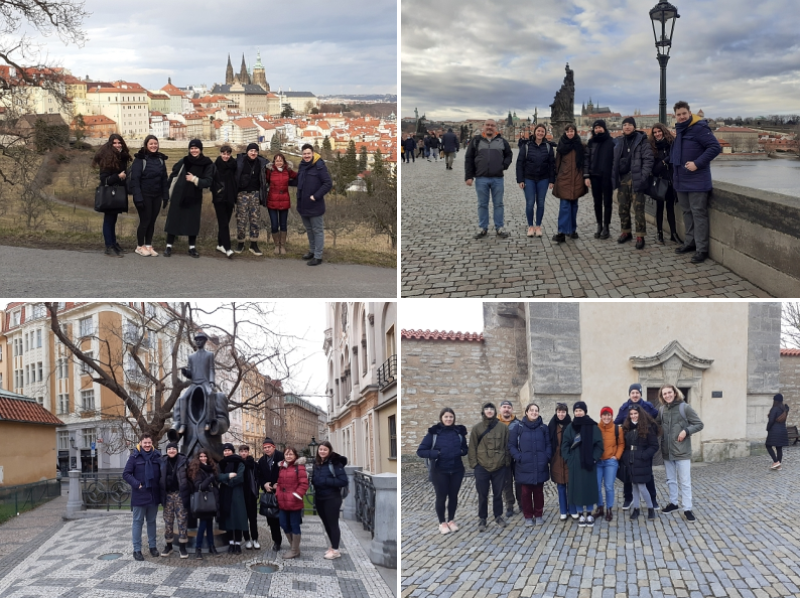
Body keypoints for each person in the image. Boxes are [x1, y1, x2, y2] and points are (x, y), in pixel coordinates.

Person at [671, 100, 722, 263]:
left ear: (689, 113)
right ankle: (690, 242)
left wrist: (697, 164)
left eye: (684, 113)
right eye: (678, 114)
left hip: (697, 180)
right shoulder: (680, 130)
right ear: (675, 116)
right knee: (687, 213)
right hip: (681, 179)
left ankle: (701, 250)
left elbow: (715, 148)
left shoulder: (699, 127)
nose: (681, 117)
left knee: (698, 214)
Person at [416, 407, 468, 534]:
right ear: (441, 418)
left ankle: (451, 520)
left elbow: (465, 449)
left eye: (451, 417)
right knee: (441, 496)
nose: (449, 419)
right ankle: (442, 522)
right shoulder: (434, 433)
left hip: (456, 469)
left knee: (453, 496)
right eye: (446, 417)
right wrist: (437, 453)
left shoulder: (459, 432)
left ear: (453, 418)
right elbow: (421, 451)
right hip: (439, 470)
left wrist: (461, 451)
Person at [657, 384, 704, 522]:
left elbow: (699, 424)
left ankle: (687, 509)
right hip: (667, 451)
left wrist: (686, 431)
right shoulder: (661, 410)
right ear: (662, 396)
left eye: (669, 392)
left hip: (682, 451)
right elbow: (656, 425)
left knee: (685, 481)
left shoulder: (685, 408)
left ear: (675, 393)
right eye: (664, 394)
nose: (667, 395)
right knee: (671, 480)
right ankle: (673, 503)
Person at [164, 139, 214, 258]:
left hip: (194, 197)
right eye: (191, 148)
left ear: (201, 149)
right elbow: (174, 174)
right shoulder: (184, 161)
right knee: (174, 220)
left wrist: (195, 179)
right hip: (178, 195)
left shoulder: (207, 163)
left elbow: (208, 181)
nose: (194, 150)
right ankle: (168, 246)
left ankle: (192, 247)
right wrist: (167, 190)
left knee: (192, 222)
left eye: (196, 148)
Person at [465, 120, 513, 239]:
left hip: (497, 178)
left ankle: (499, 227)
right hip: (481, 178)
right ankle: (483, 228)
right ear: (483, 127)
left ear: (496, 128)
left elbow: (509, 155)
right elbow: (469, 158)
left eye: (492, 125)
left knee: (498, 204)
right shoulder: (476, 141)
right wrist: (469, 176)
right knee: (482, 204)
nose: (490, 127)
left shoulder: (502, 141)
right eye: (488, 125)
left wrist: (503, 166)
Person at [614, 383, 659, 509]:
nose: (635, 395)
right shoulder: (624, 408)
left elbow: (657, 420)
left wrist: (653, 433)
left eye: (637, 392)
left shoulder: (648, 407)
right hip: (629, 447)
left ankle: (653, 499)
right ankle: (628, 499)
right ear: (629, 394)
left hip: (644, 446)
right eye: (632, 393)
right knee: (628, 474)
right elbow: (616, 423)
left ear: (640, 394)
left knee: (648, 474)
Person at [611, 117, 654, 249]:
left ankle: (640, 235)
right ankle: (626, 232)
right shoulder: (618, 142)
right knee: (622, 208)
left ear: (634, 127)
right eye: (625, 125)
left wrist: (642, 177)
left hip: (637, 179)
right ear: (622, 127)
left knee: (638, 209)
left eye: (630, 124)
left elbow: (648, 159)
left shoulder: (642, 141)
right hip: (622, 179)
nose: (627, 127)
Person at [467, 402, 510, 531]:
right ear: (483, 411)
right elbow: (472, 447)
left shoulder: (503, 428)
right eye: (487, 409)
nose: (489, 411)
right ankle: (482, 518)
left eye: (491, 408)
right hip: (482, 466)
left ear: (495, 411)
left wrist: (505, 463)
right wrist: (475, 464)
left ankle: (498, 516)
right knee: (482, 494)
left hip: (499, 466)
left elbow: (507, 446)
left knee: (498, 494)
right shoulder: (477, 428)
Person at [508, 403, 551, 527]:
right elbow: (511, 445)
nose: (534, 412)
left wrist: (546, 456)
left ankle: (538, 514)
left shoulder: (543, 428)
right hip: (524, 466)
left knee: (538, 492)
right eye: (531, 410)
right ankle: (528, 516)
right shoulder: (518, 428)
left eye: (536, 410)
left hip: (540, 464)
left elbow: (548, 444)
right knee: (525, 493)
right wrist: (519, 457)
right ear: (526, 412)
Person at [561, 401, 603, 528]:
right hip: (575, 464)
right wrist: (569, 459)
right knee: (577, 489)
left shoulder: (593, 426)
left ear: (585, 411)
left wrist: (594, 458)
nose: (578, 413)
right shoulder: (570, 427)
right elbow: (565, 445)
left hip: (589, 463)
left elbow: (599, 445)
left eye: (580, 410)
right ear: (574, 412)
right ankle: (580, 514)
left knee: (589, 488)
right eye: (576, 411)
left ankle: (589, 513)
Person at [122, 433, 161, 561]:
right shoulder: (134, 457)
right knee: (138, 522)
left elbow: (163, 471)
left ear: (152, 443)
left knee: (151, 522)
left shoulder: (157, 456)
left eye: (149, 443)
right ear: (140, 443)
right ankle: (137, 549)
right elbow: (126, 474)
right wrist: (136, 484)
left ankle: (153, 546)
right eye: (145, 443)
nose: (147, 445)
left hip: (153, 495)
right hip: (139, 495)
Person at [92, 133, 131, 257]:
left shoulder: (122, 157)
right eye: (115, 143)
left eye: (119, 142)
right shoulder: (107, 157)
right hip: (110, 194)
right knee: (108, 220)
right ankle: (109, 246)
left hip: (118, 193)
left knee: (113, 220)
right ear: (110, 144)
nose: (118, 145)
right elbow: (104, 179)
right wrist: (118, 176)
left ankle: (113, 244)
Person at [128, 135, 168, 257]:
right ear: (146, 145)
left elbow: (164, 179)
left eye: (155, 143)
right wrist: (138, 197)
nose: (153, 146)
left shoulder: (160, 159)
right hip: (144, 195)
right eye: (151, 144)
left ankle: (149, 246)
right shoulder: (140, 159)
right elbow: (135, 180)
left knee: (152, 221)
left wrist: (165, 196)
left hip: (157, 195)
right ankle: (140, 246)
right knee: (145, 220)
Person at [294, 143, 332, 266]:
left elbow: (327, 183)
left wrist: (315, 196)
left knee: (317, 230)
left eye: (308, 153)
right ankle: (312, 251)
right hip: (303, 204)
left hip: (315, 205)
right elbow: (298, 181)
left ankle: (318, 256)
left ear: (313, 153)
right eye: (304, 154)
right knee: (309, 230)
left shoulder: (319, 166)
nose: (306, 156)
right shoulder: (302, 166)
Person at [621, 405, 660, 521]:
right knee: (634, 486)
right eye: (631, 414)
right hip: (631, 460)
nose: (633, 416)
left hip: (642, 460)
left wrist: (644, 455)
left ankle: (650, 508)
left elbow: (654, 446)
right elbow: (625, 445)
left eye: (635, 413)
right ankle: (636, 509)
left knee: (642, 486)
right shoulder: (627, 427)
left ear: (640, 414)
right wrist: (625, 457)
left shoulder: (647, 427)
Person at [516, 123, 555, 238]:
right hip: (529, 178)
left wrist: (552, 180)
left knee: (541, 203)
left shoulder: (548, 147)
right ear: (535, 132)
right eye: (538, 131)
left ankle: (538, 226)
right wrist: (520, 179)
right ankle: (530, 226)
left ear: (545, 133)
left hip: (543, 178)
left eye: (542, 131)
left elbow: (552, 164)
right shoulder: (527, 146)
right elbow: (520, 163)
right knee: (530, 203)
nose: (540, 133)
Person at [312, 440, 349, 559]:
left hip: (332, 498)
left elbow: (343, 481)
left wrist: (325, 481)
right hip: (319, 497)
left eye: (325, 450)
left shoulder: (335, 463)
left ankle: (336, 550)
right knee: (326, 523)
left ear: (329, 451)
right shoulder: (317, 463)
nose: (322, 451)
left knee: (333, 524)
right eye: (320, 449)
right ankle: (333, 546)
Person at [552, 123, 588, 243]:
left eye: (572, 131)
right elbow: (557, 164)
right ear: (565, 133)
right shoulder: (561, 146)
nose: (570, 133)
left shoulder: (581, 146)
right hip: (564, 179)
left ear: (575, 132)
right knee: (564, 206)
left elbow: (585, 163)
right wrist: (556, 177)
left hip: (577, 179)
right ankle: (562, 232)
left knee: (574, 206)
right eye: (568, 131)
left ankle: (572, 230)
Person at [234, 143, 269, 256]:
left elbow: (276, 167)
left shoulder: (262, 163)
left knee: (255, 220)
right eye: (251, 151)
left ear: (258, 152)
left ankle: (254, 245)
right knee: (241, 219)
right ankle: (240, 243)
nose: (253, 153)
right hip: (241, 194)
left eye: (255, 151)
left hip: (255, 195)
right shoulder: (239, 162)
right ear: (247, 151)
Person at [648, 123, 681, 244]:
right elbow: (654, 168)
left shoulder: (671, 144)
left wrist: (664, 161)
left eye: (659, 131)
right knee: (660, 208)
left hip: (671, 180)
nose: (657, 134)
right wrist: (663, 162)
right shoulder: (652, 146)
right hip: (659, 180)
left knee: (670, 208)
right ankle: (660, 233)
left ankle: (673, 233)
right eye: (655, 132)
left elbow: (675, 159)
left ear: (663, 131)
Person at [583, 119, 615, 239]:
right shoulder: (591, 142)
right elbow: (586, 160)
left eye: (600, 127)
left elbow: (615, 160)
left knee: (607, 203)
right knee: (597, 203)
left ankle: (606, 227)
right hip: (594, 176)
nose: (598, 129)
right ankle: (599, 225)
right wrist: (586, 176)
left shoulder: (611, 142)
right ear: (594, 129)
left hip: (607, 177)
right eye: (596, 128)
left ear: (604, 128)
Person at [276, 446, 309, 559]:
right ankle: (294, 547)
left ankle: (294, 550)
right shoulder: (282, 467)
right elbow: (279, 483)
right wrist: (278, 493)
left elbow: (304, 484)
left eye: (291, 454)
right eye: (286, 454)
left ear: (295, 456)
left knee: (294, 525)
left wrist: (295, 495)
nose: (288, 456)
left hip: (294, 502)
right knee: (283, 524)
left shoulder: (299, 467)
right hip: (283, 501)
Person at [187, 449, 220, 559]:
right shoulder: (197, 470)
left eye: (204, 456)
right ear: (198, 458)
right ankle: (198, 548)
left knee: (210, 525)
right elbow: (199, 486)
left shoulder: (211, 468)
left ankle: (211, 546)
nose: (203, 458)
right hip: (203, 500)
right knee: (202, 526)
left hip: (211, 500)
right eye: (201, 457)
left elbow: (215, 484)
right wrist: (210, 479)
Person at [159, 441, 190, 558]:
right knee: (168, 521)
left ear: (177, 450)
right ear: (166, 451)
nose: (171, 450)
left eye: (173, 448)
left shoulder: (183, 461)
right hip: (167, 495)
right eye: (169, 449)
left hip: (180, 494)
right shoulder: (162, 462)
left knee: (182, 521)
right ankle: (169, 546)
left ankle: (183, 547)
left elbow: (190, 475)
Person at [548, 403, 578, 521]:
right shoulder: (551, 425)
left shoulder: (572, 425)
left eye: (563, 412)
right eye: (559, 412)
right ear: (556, 412)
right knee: (560, 486)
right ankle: (563, 511)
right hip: (556, 459)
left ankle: (572, 509)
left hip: (569, 459)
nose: (561, 414)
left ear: (566, 412)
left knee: (571, 486)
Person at [593, 406, 623, 522]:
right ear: (601, 416)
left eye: (609, 415)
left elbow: (621, 444)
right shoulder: (596, 428)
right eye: (604, 415)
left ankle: (609, 509)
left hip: (611, 461)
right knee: (596, 486)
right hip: (598, 461)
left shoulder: (617, 429)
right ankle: (600, 507)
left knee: (609, 486)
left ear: (612, 416)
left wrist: (617, 457)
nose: (606, 417)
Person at [217, 442, 248, 553]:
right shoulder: (221, 463)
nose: (227, 452)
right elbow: (218, 476)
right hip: (225, 494)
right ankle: (231, 543)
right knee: (228, 518)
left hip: (237, 492)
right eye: (225, 450)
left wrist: (227, 482)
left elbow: (240, 477)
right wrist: (228, 476)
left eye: (229, 450)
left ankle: (238, 543)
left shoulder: (239, 462)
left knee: (238, 518)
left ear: (232, 451)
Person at [265, 152, 297, 255]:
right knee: (274, 225)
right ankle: (276, 245)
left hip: (284, 200)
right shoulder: (270, 171)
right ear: (274, 162)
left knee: (283, 224)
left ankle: (282, 245)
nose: (278, 162)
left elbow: (297, 177)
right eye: (277, 160)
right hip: (272, 201)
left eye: (280, 160)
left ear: (284, 162)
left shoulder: (288, 170)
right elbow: (264, 181)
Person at [256, 438, 285, 551]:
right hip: (269, 494)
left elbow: (286, 473)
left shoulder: (281, 457)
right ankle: (277, 541)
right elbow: (259, 476)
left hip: (282, 492)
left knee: (285, 519)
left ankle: (293, 542)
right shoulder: (262, 461)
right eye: (265, 448)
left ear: (274, 447)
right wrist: (264, 484)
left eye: (269, 447)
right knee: (272, 520)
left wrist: (279, 483)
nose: (267, 449)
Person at [211, 145, 237, 259]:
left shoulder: (234, 165)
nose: (225, 156)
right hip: (219, 198)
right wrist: (216, 192)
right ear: (220, 153)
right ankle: (228, 248)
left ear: (230, 154)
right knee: (223, 223)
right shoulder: (215, 165)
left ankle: (220, 244)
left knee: (225, 221)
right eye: (223, 153)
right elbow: (211, 181)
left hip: (230, 197)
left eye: (228, 154)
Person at [497, 400, 522, 517]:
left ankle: (522, 504)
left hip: (516, 457)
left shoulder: (518, 423)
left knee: (520, 481)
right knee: (506, 483)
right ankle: (509, 506)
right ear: (500, 409)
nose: (506, 409)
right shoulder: (494, 424)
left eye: (508, 407)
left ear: (512, 409)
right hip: (502, 458)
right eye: (504, 407)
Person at [238, 445, 260, 550]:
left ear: (248, 452)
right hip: (241, 495)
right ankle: (247, 540)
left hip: (251, 494)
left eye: (245, 451)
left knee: (253, 519)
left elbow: (258, 478)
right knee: (243, 519)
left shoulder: (254, 465)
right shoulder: (237, 464)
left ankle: (255, 539)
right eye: (241, 451)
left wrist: (256, 489)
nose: (243, 453)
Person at [765, 393, 789, 470]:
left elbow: (771, 421)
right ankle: (778, 465)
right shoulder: (784, 409)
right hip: (782, 430)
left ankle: (776, 462)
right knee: (779, 448)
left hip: (774, 431)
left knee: (768, 445)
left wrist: (768, 428)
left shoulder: (774, 409)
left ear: (775, 400)